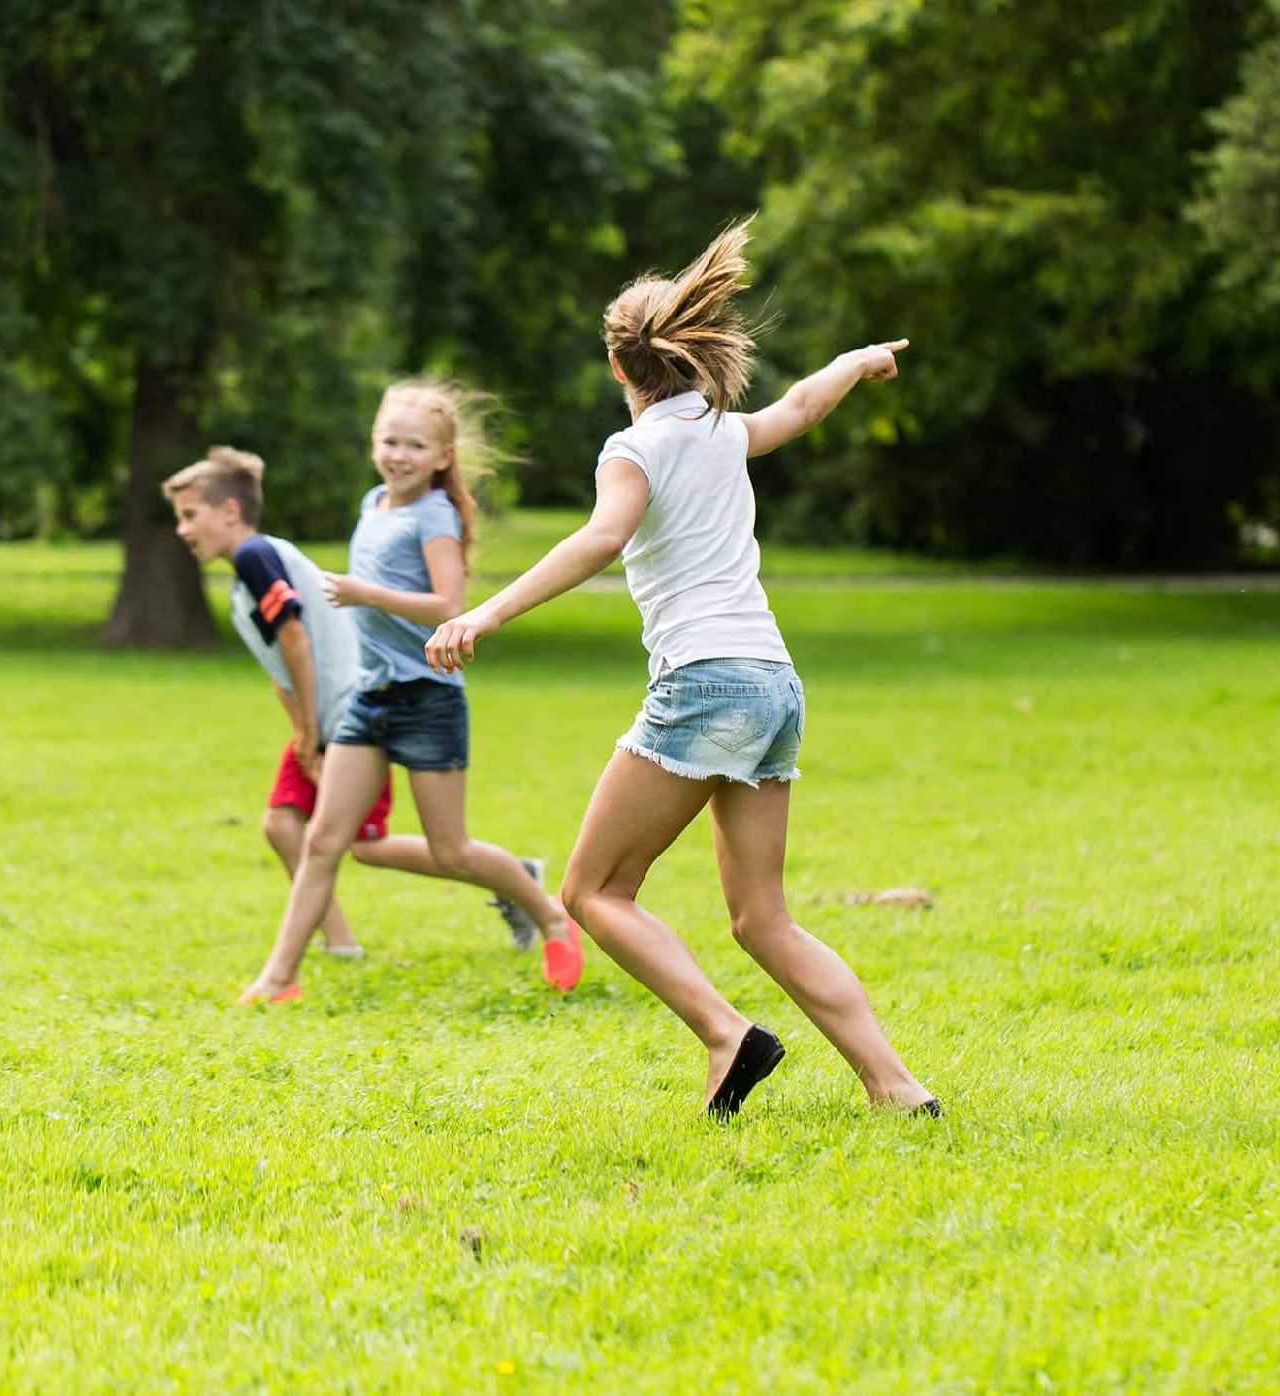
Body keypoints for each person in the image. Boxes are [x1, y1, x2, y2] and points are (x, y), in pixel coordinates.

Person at [425, 219, 937, 1117]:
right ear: (693, 359)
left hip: (703, 683)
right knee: (761, 919)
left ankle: (725, 1033)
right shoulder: (720, 432)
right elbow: (804, 407)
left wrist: (488, 609)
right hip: (774, 685)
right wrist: (856, 360)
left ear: (621, 369)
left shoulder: (636, 448)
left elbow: (602, 536)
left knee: (592, 889)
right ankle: (896, 1087)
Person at [236, 383, 579, 1004]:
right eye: (389, 441)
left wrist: (367, 594)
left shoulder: (434, 517)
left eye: (415, 446)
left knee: (451, 850)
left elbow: (447, 606)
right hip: (371, 698)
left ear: (442, 456)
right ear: (374, 443)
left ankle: (551, 914)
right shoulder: (374, 504)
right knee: (324, 840)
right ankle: (278, 978)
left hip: (427, 697)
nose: (399, 455)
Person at [166, 447, 536, 962]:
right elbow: (281, 670)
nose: (182, 530)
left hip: (353, 712)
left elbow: (295, 641)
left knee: (364, 844)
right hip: (325, 716)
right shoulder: (243, 578)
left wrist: (314, 734)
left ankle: (515, 877)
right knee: (286, 825)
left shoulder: (255, 557)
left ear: (229, 511)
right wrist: (302, 731)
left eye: (189, 515)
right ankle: (340, 943)